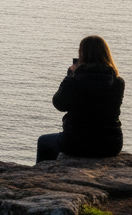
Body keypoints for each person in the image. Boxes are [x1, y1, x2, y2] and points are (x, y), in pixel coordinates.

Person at [36, 35, 125, 163]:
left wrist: (70, 75)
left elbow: (59, 104)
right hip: (111, 145)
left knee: (43, 141)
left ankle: (43, 177)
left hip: (76, 143)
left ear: (82, 55)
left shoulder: (75, 80)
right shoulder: (118, 82)